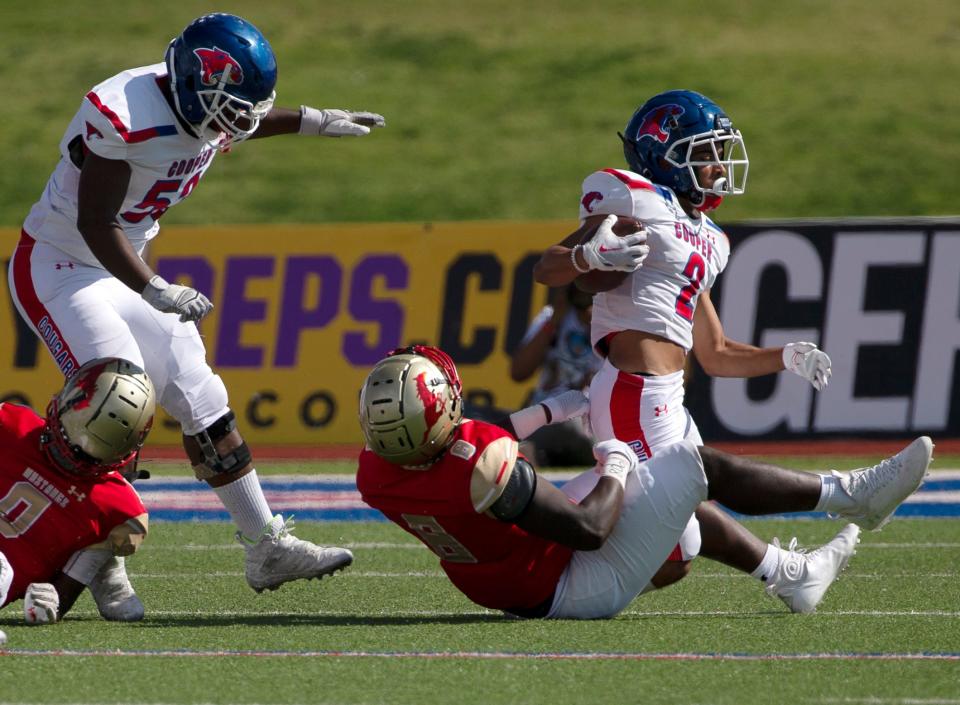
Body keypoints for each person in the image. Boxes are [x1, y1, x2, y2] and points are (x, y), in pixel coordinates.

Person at [6, 13, 378, 614]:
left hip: (119, 266)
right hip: (59, 267)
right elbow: (94, 224)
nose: (236, 122)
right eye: (229, 107)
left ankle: (265, 546)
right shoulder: (124, 112)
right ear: (193, 86)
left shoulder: (199, 107)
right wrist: (155, 288)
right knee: (115, 404)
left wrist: (313, 121)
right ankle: (84, 559)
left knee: (200, 392)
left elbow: (237, 126)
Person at [356, 346, 932, 618]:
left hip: (500, 571)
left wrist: (545, 414)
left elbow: (455, 447)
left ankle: (792, 576)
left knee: (672, 498)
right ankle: (852, 497)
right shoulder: (485, 467)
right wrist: (615, 459)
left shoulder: (376, 467)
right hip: (562, 584)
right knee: (689, 463)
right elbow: (589, 528)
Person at [532, 89, 835, 601]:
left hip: (666, 393)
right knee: (682, 522)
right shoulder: (632, 199)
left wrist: (785, 356)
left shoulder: (710, 238)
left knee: (680, 549)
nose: (718, 166)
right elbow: (548, 267)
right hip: (633, 390)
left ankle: (788, 574)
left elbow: (714, 351)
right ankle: (828, 521)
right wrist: (588, 256)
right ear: (663, 155)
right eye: (705, 153)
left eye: (719, 153)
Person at [0, 358, 154, 639]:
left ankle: (112, 581)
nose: (70, 458)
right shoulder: (10, 425)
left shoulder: (117, 508)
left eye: (86, 453)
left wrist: (55, 599)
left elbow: (66, 588)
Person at [509, 284, 600, 466]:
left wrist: (597, 323)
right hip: (545, 413)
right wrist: (553, 323)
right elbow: (518, 372)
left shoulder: (617, 323)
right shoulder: (553, 316)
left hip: (586, 422)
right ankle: (525, 454)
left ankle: (526, 454)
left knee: (569, 427)